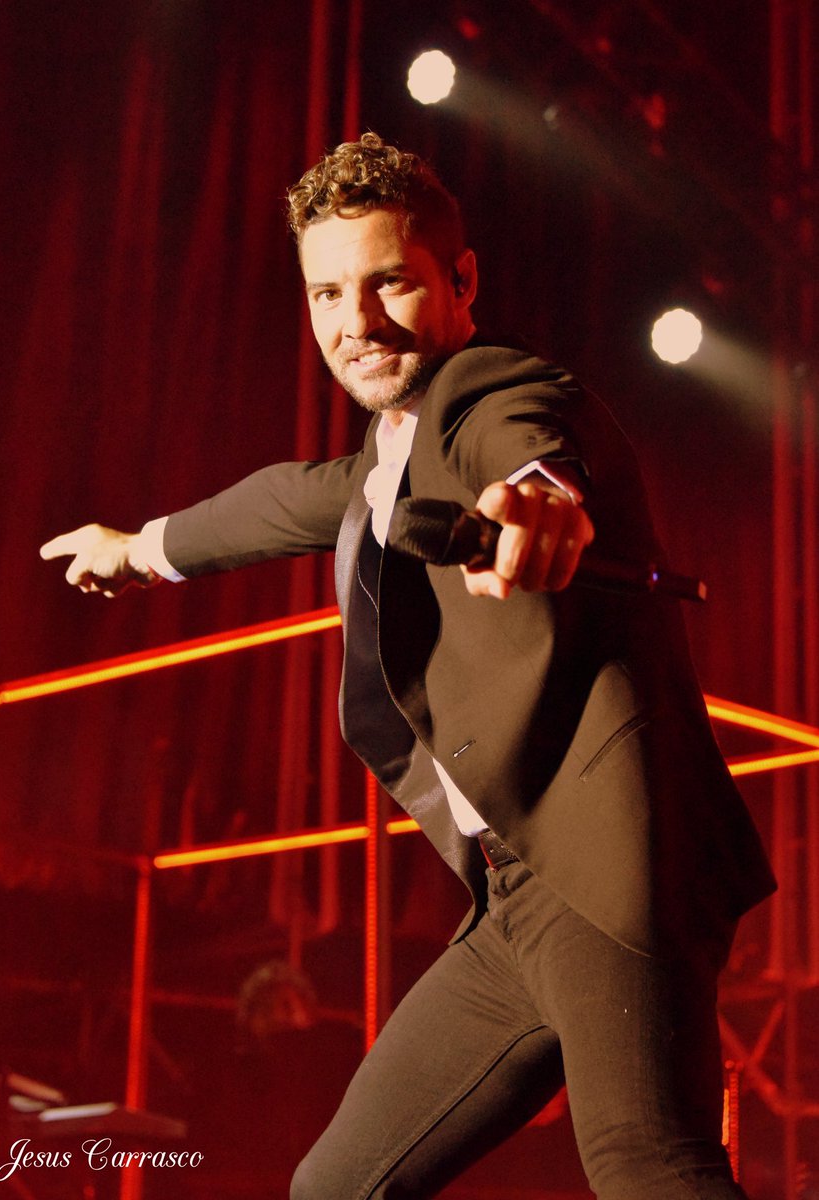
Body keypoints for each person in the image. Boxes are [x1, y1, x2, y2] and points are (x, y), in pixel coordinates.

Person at [41, 133, 775, 1198]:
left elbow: (528, 448)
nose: (357, 322)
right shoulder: (392, 456)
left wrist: (542, 501)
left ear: (461, 280)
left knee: (651, 1169)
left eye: (389, 282)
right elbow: (287, 498)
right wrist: (138, 548)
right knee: (335, 1187)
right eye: (327, 294)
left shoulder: (490, 389)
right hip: (517, 900)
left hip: (606, 871)